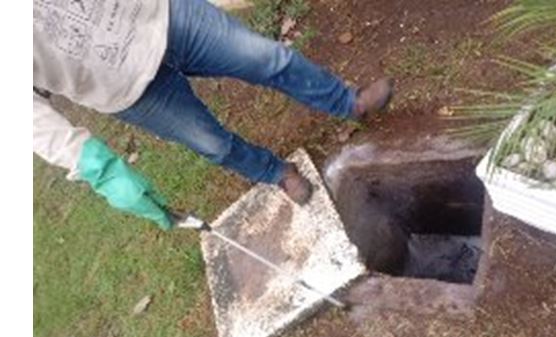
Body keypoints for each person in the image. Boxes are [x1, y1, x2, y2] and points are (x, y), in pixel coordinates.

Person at [33, 0, 392, 230]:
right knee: (213, 144)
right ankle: (277, 172)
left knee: (266, 58)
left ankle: (348, 102)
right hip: (125, 91)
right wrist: (97, 169)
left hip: (163, 14)